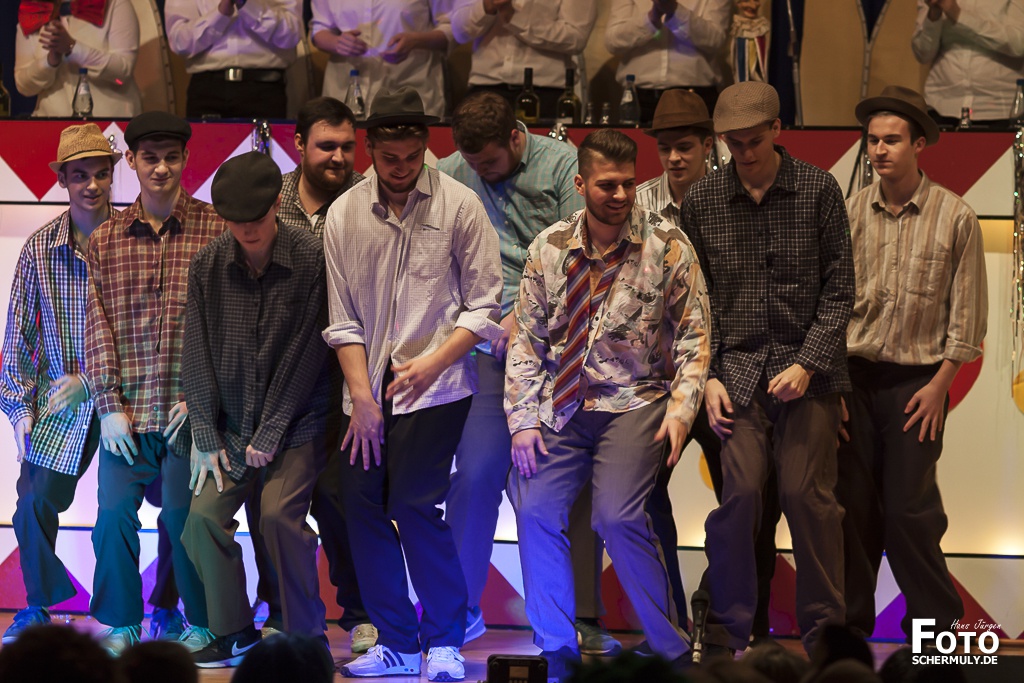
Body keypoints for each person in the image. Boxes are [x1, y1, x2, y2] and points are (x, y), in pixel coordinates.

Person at [505, 128, 709, 681]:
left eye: (627, 184)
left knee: (615, 516)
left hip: (635, 400)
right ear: (580, 184)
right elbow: (527, 341)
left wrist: (681, 412)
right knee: (533, 509)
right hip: (561, 404)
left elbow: (694, 339)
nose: (619, 195)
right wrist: (522, 422)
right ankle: (558, 651)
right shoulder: (549, 247)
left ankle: (671, 650)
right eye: (606, 185)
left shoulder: (668, 246)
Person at [323, 87, 502, 680]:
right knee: (359, 505)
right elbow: (342, 319)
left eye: (411, 156)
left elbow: (484, 306)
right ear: (370, 149)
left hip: (438, 386)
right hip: (366, 387)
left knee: (414, 504)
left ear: (426, 146)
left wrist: (431, 362)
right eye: (388, 158)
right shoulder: (344, 213)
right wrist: (361, 398)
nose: (400, 168)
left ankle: (446, 639)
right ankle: (398, 642)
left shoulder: (460, 205)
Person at [438, 91, 619, 655]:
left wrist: (525, 313)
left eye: (491, 162)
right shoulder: (447, 173)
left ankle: (577, 620)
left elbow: (584, 250)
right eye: (473, 163)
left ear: (516, 137)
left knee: (561, 486)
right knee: (475, 475)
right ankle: (457, 611)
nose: (482, 172)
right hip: (487, 348)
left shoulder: (563, 165)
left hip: (564, 348)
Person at [681, 81, 853, 656]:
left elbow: (840, 290)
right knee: (741, 497)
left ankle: (825, 637)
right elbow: (695, 300)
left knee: (807, 497)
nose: (744, 153)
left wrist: (807, 363)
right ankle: (727, 633)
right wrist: (707, 376)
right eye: (732, 144)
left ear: (778, 130)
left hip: (811, 373)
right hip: (736, 372)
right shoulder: (703, 200)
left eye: (753, 141)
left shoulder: (819, 189)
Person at [838, 86, 986, 641]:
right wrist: (834, 387)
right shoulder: (851, 210)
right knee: (852, 511)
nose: (880, 150)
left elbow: (968, 317)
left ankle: (937, 636)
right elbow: (833, 303)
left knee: (909, 512)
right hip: (854, 378)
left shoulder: (955, 216)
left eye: (892, 140)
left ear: (919, 144)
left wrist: (940, 385)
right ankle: (848, 638)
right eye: (873, 140)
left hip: (917, 382)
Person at [636, 88, 780, 641]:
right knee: (641, 497)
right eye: (665, 147)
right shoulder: (637, 204)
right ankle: (671, 620)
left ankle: (734, 622)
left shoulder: (736, 193)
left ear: (708, 146)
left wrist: (714, 371)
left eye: (686, 147)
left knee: (752, 499)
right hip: (658, 379)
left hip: (727, 374)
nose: (675, 158)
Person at [180, 152, 333, 667]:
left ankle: (305, 634)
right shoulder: (207, 264)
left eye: (256, 217)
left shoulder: (310, 257)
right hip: (230, 425)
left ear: (274, 208)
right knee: (200, 519)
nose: (246, 229)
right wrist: (205, 435)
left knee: (277, 517)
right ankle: (235, 631)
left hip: (297, 423)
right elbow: (195, 354)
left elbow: (309, 353)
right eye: (234, 220)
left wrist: (270, 430)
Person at [85, 111, 220, 655]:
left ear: (185, 159)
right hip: (128, 412)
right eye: (149, 158)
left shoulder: (214, 228)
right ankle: (122, 622)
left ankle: (201, 622)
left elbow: (226, 325)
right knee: (112, 516)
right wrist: (107, 405)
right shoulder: (107, 238)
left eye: (170, 157)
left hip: (188, 414)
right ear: (132, 161)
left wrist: (203, 400)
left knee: (186, 517)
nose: (160, 168)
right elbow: (95, 325)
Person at [0, 124, 118, 644]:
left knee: (136, 506)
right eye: (80, 175)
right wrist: (19, 411)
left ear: (112, 176)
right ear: (63, 181)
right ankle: (38, 605)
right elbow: (17, 338)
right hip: (60, 402)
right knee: (32, 501)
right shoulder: (39, 247)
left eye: (100, 174)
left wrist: (92, 380)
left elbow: (149, 329)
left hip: (124, 395)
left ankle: (141, 611)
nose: (91, 185)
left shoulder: (134, 237)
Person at [274, 96, 378, 653]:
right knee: (274, 503)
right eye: (325, 146)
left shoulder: (371, 199)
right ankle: (286, 615)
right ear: (298, 145)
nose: (338, 157)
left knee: (342, 498)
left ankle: (362, 613)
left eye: (346, 146)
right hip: (284, 381)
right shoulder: (271, 202)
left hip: (352, 377)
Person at [450, 0, 597, 118]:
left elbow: (576, 38)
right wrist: (487, 6)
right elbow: (459, 32)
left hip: (545, 92)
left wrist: (513, 17)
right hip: (485, 87)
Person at [310, 0, 453, 118]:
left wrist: (416, 41)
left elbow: (452, 27)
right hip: (345, 93)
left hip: (408, 90)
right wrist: (337, 42)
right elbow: (319, 27)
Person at [164, 0, 302, 119]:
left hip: (264, 87)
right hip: (208, 87)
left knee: (264, 143)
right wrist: (220, 14)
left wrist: (247, 5)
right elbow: (180, 43)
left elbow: (291, 36)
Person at [605, 0, 731, 123]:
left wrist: (674, 10)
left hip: (696, 96)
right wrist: (651, 19)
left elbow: (715, 39)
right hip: (640, 97)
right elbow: (613, 42)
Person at [14, 0, 143, 117]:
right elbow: (24, 87)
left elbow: (122, 73)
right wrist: (50, 62)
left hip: (109, 126)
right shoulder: (33, 13)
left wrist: (72, 48)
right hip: (51, 126)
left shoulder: (113, 4)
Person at [912, 0, 1024, 126]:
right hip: (940, 106)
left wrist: (957, 13)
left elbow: (1019, 45)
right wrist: (933, 16)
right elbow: (923, 54)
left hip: (999, 109)